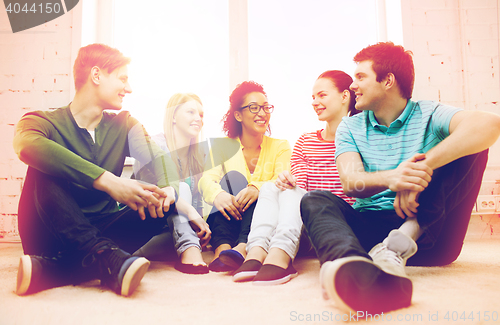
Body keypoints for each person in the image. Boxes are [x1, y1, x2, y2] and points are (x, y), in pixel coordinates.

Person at [300, 41, 500, 313]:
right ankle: (353, 267)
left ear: (388, 81)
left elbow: (489, 124)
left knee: (472, 145)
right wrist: (393, 178)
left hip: (429, 234)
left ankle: (400, 243)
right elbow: (350, 181)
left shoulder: (429, 112)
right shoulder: (350, 126)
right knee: (314, 200)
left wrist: (420, 169)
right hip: (369, 233)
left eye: (360, 77)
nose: (352, 86)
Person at [13, 43, 182, 296]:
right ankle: (107, 256)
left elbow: (156, 159)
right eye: (123, 79)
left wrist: (169, 187)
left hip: (103, 228)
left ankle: (59, 269)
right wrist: (108, 181)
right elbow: (26, 145)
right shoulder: (41, 121)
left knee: (161, 205)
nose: (129, 88)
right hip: (46, 234)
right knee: (42, 165)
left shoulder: (125, 124)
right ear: (96, 75)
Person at [233, 70, 359, 285]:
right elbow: (298, 186)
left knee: (294, 193)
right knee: (272, 187)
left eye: (322, 95)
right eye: (313, 97)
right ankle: (256, 251)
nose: (315, 102)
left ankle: (281, 254)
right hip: (302, 224)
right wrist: (285, 180)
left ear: (345, 96)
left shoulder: (360, 138)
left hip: (337, 224)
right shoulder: (305, 141)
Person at [198, 81, 291, 272]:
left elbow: (284, 178)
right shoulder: (222, 146)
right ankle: (222, 250)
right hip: (229, 216)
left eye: (266, 107)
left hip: (262, 222)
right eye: (254, 108)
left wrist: (256, 187)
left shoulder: (280, 146)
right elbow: (206, 180)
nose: (263, 113)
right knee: (232, 180)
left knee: (262, 190)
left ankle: (242, 247)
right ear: (238, 115)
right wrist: (218, 195)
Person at [133, 93, 211, 274]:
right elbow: (158, 194)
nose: (198, 118)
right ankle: (189, 249)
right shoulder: (153, 145)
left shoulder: (198, 157)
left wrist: (200, 225)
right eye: (191, 112)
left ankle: (188, 244)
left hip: (171, 231)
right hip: (145, 222)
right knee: (179, 188)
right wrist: (191, 212)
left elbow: (197, 202)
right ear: (173, 116)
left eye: (201, 114)